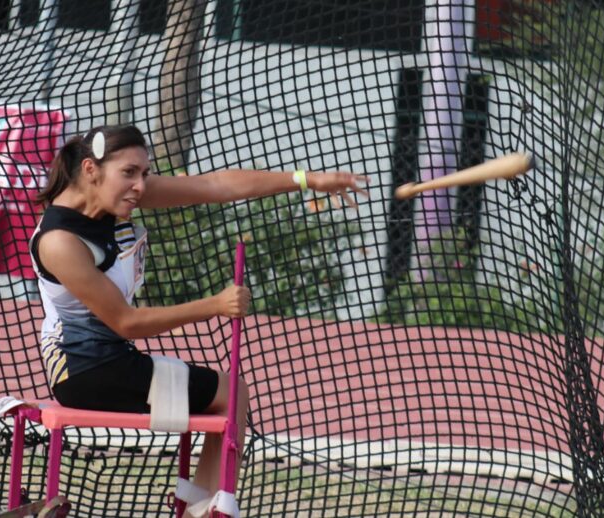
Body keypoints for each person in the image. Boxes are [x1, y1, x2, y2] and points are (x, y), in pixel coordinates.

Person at [30, 125, 366, 515]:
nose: (140, 185)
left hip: (108, 360)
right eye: (130, 172)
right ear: (91, 169)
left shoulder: (115, 194)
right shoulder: (59, 241)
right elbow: (127, 322)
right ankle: (208, 508)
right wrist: (216, 304)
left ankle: (201, 506)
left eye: (144, 173)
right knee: (230, 394)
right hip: (87, 370)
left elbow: (216, 185)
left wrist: (306, 180)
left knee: (229, 393)